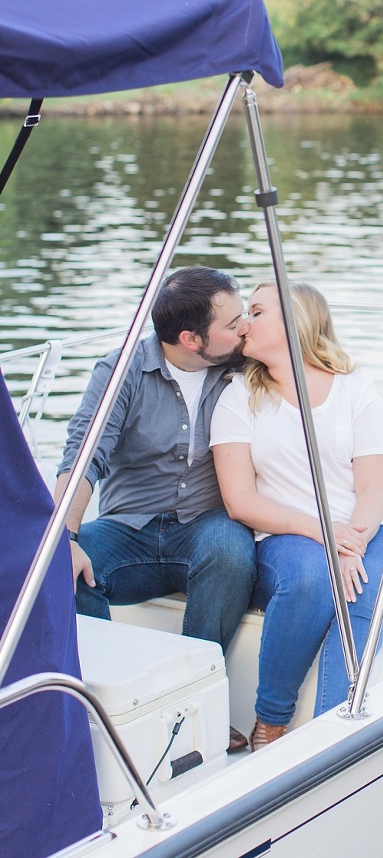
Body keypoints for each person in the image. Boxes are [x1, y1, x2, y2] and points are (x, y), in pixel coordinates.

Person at [210, 281, 383, 751]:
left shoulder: (355, 388)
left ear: (294, 322)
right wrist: (330, 537)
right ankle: (271, 722)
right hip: (288, 536)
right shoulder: (239, 395)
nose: (243, 323)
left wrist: (353, 543)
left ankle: (330, 744)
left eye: (256, 312)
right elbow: (240, 501)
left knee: (360, 598)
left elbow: (375, 487)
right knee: (311, 577)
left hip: (374, 530)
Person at [55, 266, 258, 753]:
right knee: (62, 570)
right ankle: (114, 710)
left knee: (230, 553)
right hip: (129, 529)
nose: (245, 327)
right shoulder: (121, 371)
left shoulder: (242, 362)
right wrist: (66, 539)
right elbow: (84, 456)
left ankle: (195, 702)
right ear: (190, 339)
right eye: (232, 323)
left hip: (207, 526)